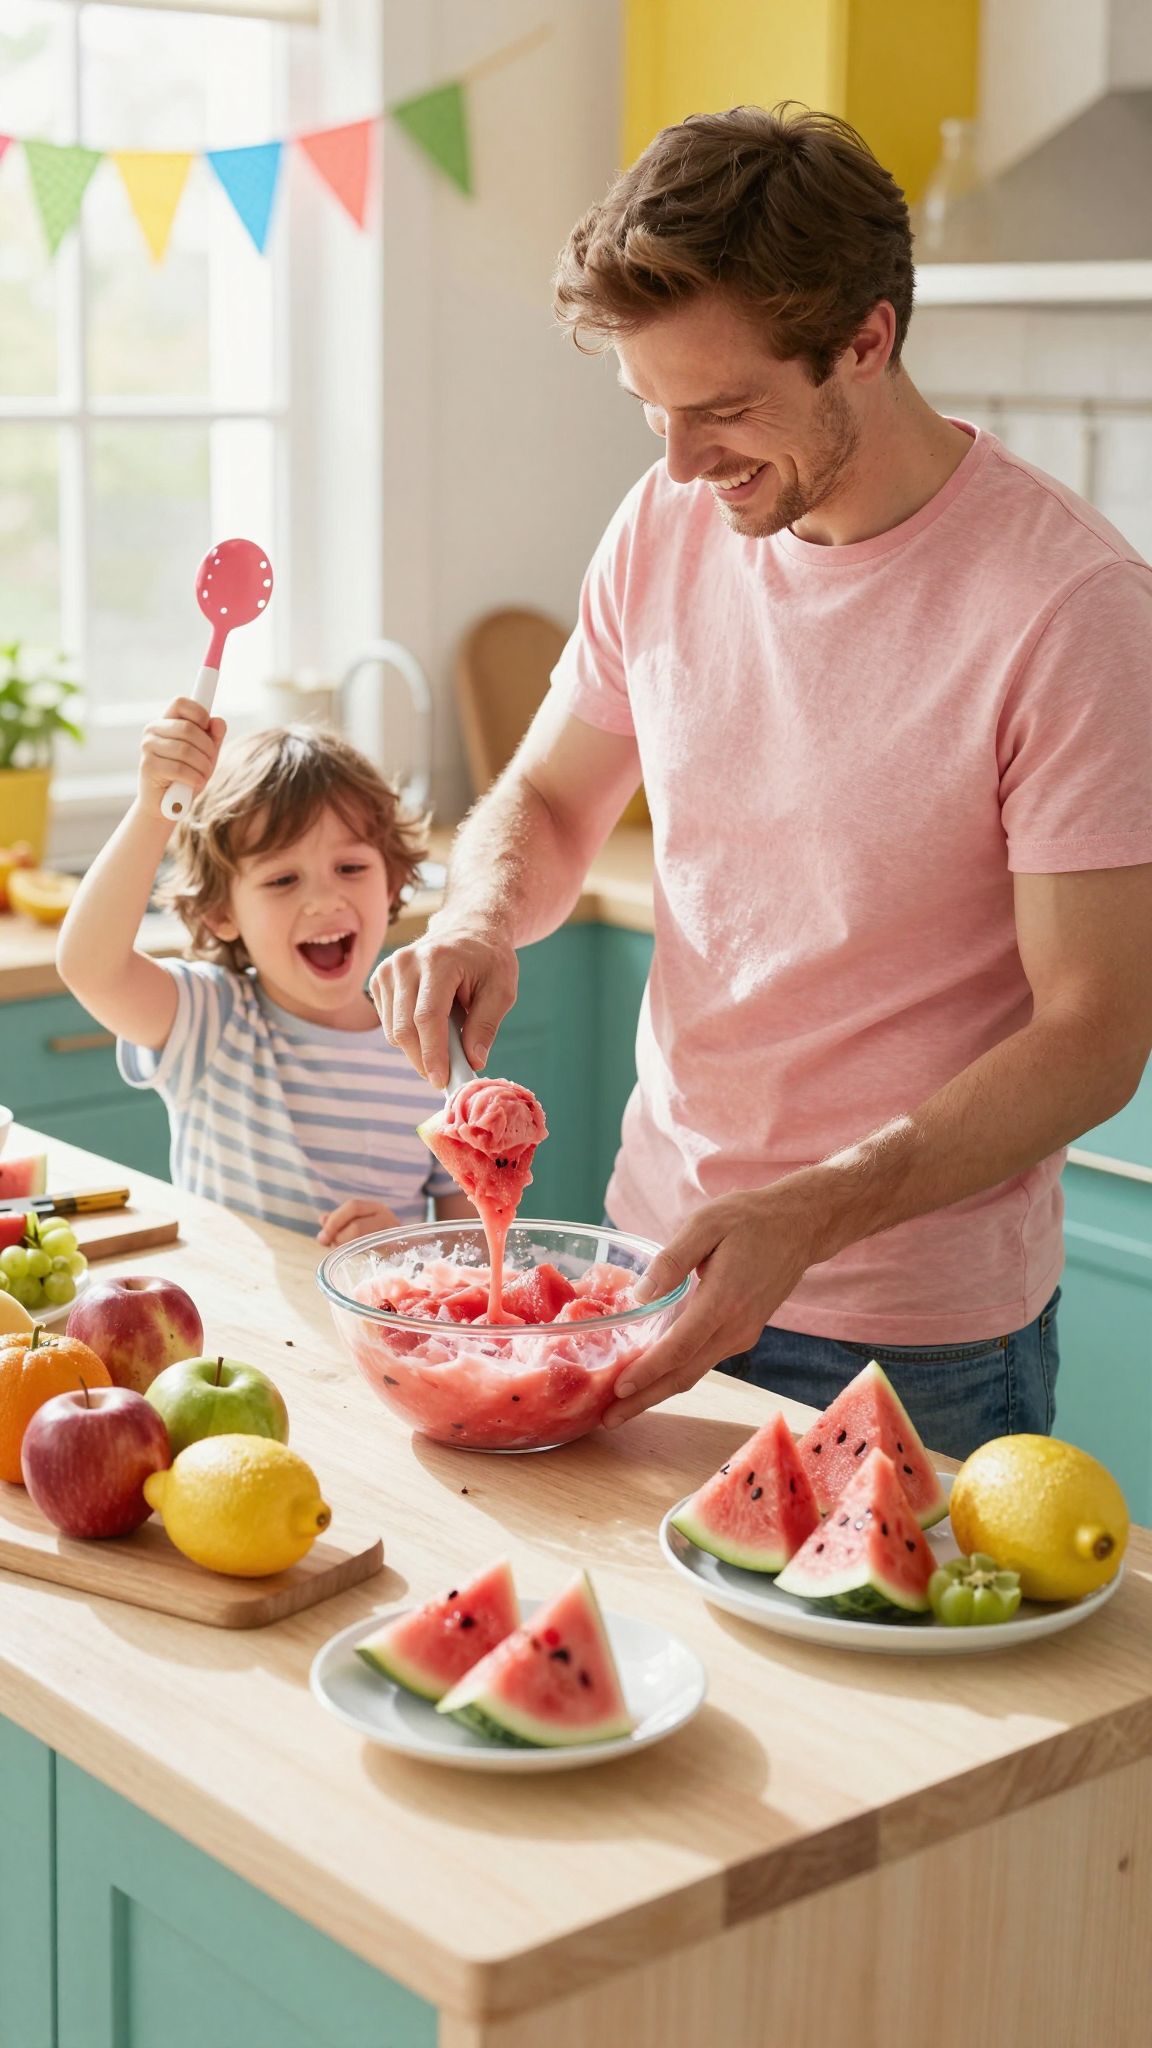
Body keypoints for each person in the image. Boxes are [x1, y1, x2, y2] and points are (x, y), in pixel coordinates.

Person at [373, 104, 1152, 1457]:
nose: (678, 467)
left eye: (723, 410)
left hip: (914, 1339)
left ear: (867, 340)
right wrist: (476, 918)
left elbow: (1094, 1034)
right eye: (652, 412)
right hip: (646, 1263)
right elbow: (554, 800)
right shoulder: (667, 519)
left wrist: (813, 1210)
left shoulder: (1071, 609)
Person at [58, 704, 471, 1243]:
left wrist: (401, 1253)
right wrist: (152, 809)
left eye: (350, 868)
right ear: (221, 913)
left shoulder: (434, 1051)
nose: (324, 900)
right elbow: (90, 966)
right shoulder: (209, 1020)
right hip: (226, 1322)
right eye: (281, 880)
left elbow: (476, 1244)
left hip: (366, 1326)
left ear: (392, 883)